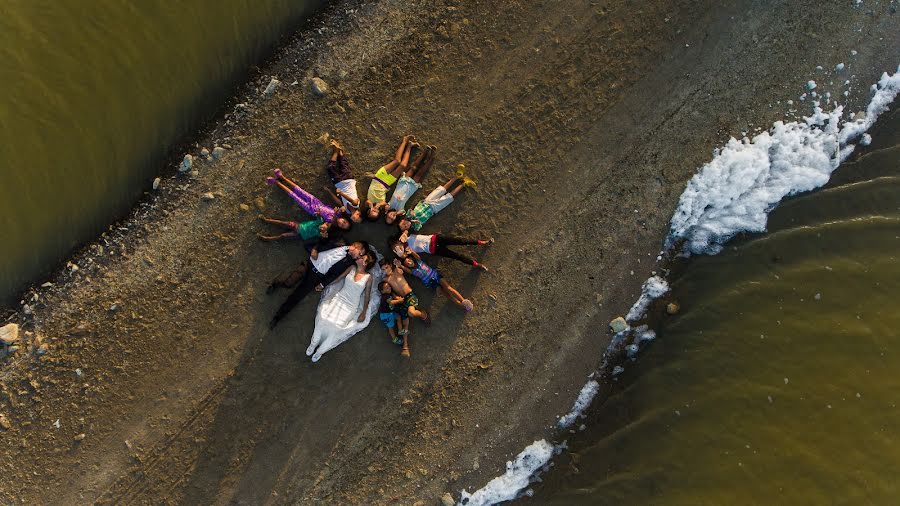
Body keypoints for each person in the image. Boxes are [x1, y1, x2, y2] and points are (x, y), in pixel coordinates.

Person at [269, 241, 369, 328]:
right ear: (356, 246)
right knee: (289, 282)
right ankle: (277, 283)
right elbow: (323, 239)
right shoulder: (341, 242)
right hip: (310, 263)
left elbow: (335, 275)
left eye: (361, 255)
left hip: (316, 276)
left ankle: (277, 317)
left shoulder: (349, 262)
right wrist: (314, 249)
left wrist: (323, 284)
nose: (359, 256)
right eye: (360, 253)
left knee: (297, 296)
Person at [306, 253, 379, 362]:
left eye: (362, 257)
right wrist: (324, 285)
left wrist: (363, 312)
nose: (358, 258)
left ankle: (320, 351)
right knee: (323, 319)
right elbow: (339, 278)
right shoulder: (351, 268)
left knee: (336, 328)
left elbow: (367, 295)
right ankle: (313, 343)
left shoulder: (368, 278)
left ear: (365, 263)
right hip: (339, 298)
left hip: (351, 306)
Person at [266, 168, 353, 231]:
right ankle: (282, 177)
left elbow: (324, 225)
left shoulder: (332, 224)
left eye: (342, 226)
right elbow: (340, 205)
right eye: (344, 222)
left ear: (340, 227)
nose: (342, 223)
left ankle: (276, 182)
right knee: (299, 190)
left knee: (294, 196)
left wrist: (323, 226)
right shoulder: (340, 213)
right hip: (317, 202)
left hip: (311, 209)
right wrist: (342, 208)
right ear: (344, 219)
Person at [398, 168, 474, 232]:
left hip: (426, 202)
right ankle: (463, 184)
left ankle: (457, 177)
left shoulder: (408, 216)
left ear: (403, 220)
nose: (406, 225)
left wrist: (412, 214)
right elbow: (419, 225)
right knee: (448, 197)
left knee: (441, 189)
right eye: (405, 227)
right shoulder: (415, 227)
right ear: (407, 229)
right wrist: (416, 221)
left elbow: (410, 211)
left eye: (404, 223)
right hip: (434, 209)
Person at [381, 259, 430, 356]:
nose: (386, 270)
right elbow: (391, 291)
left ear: (390, 265)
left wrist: (400, 267)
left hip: (410, 295)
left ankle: (423, 314)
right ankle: (405, 347)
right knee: (405, 323)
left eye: (386, 267)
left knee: (411, 312)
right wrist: (395, 297)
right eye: (383, 269)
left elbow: (402, 271)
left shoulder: (397, 270)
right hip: (402, 300)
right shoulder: (385, 280)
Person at [400, 251, 473, 311]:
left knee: (449, 288)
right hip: (431, 283)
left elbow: (415, 255)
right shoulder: (412, 271)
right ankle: (461, 306)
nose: (409, 262)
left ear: (412, 259)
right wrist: (400, 265)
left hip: (436, 276)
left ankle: (464, 301)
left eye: (409, 260)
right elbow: (405, 269)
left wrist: (411, 251)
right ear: (407, 266)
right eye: (407, 264)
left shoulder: (419, 261)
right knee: (448, 295)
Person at [365, 135, 414, 221]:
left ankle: (405, 140)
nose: (374, 210)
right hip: (388, 182)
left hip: (379, 177)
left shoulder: (368, 203)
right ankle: (410, 145)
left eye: (372, 211)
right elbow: (384, 203)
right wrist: (379, 205)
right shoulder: (382, 205)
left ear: (369, 211)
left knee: (397, 161)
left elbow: (367, 202)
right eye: (376, 212)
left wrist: (372, 206)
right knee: (403, 165)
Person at [384, 145, 436, 225]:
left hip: (403, 182)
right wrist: (396, 214)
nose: (391, 216)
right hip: (412, 187)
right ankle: (431, 157)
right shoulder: (400, 211)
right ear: (395, 218)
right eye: (392, 218)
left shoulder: (389, 205)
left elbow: (384, 205)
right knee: (420, 173)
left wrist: (386, 209)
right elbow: (402, 212)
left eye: (388, 217)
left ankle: (425, 152)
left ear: (386, 214)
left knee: (413, 168)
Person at [393, 231, 492, 271]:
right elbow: (404, 256)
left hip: (436, 239)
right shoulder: (406, 251)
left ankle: (483, 242)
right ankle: (477, 264)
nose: (399, 248)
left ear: (398, 241)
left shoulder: (406, 237)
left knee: (461, 241)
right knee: (456, 256)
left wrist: (404, 234)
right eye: (396, 250)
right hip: (435, 249)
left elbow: (406, 230)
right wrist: (401, 253)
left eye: (397, 246)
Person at [321, 139, 363, 223]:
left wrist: (329, 191)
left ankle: (337, 151)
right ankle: (337, 150)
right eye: (356, 218)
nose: (354, 219)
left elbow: (339, 202)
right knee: (343, 164)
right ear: (358, 213)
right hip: (349, 180)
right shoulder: (356, 205)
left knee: (330, 168)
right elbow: (352, 200)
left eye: (354, 220)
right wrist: (341, 193)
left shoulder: (347, 211)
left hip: (339, 184)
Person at [256, 214, 329, 242]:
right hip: (298, 225)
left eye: (324, 230)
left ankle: (266, 239)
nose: (322, 228)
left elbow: (321, 236)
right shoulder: (320, 221)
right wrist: (319, 213)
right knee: (282, 223)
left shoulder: (319, 233)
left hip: (298, 234)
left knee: (282, 236)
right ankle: (265, 219)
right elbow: (319, 215)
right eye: (324, 227)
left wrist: (323, 236)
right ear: (324, 223)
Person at [377, 281, 405, 347]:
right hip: (385, 315)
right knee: (390, 327)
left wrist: (399, 298)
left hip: (390, 313)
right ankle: (394, 338)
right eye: (386, 288)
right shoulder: (385, 296)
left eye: (389, 286)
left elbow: (395, 297)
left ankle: (400, 330)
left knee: (398, 317)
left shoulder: (390, 293)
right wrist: (399, 301)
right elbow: (391, 302)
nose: (389, 288)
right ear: (382, 291)